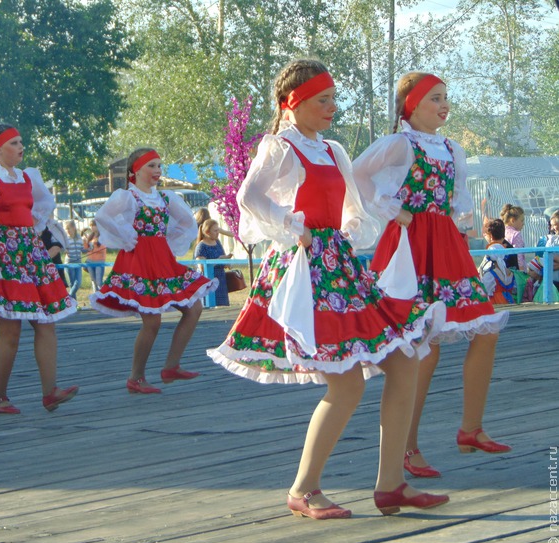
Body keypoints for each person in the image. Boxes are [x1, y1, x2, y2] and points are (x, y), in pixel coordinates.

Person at [208, 59, 448, 518]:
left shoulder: (333, 149)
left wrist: (355, 227)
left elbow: (353, 209)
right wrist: (290, 225)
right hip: (305, 268)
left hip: (339, 265)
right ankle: (304, 488)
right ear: (292, 104)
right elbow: (248, 197)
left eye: (334, 98)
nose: (333, 107)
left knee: (402, 361)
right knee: (347, 383)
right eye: (323, 100)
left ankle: (391, 484)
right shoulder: (279, 146)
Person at [352, 72, 511, 480]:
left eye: (446, 98)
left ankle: (470, 428)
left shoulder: (451, 148)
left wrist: (463, 219)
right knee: (422, 346)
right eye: (435, 98)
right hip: (409, 246)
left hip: (446, 245)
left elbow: (457, 197)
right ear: (412, 104)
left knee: (486, 328)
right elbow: (356, 175)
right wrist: (392, 210)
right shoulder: (399, 143)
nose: (444, 105)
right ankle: (407, 447)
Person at [0, 122, 78, 414]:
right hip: (2, 253)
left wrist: (31, 226)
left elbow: (41, 206)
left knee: (46, 322)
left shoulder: (27, 177)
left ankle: (50, 392)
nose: (21, 148)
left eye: (21, 142)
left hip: (28, 252)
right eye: (15, 143)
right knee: (11, 332)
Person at [91, 147, 218, 394]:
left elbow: (187, 223)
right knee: (152, 320)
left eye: (159, 165)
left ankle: (171, 365)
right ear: (135, 170)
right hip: (139, 261)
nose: (157, 171)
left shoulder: (165, 198)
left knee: (194, 308)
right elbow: (104, 216)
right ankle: (136, 377)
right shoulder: (128, 197)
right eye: (151, 165)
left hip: (162, 260)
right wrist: (127, 236)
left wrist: (168, 241)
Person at [194, 219, 232, 306]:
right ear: (207, 232)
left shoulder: (217, 243)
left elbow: (222, 258)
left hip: (221, 281)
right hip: (208, 283)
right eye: (215, 230)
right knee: (210, 306)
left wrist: (226, 262)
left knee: (223, 307)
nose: (218, 232)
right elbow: (202, 267)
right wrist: (219, 260)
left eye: (218, 230)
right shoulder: (201, 246)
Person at [479, 218, 516, 304]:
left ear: (490, 235)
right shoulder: (504, 266)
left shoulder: (489, 269)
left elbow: (485, 289)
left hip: (494, 302)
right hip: (508, 300)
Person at [499, 203, 526, 271]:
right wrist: (522, 271)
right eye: (522, 220)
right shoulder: (516, 234)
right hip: (515, 270)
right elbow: (519, 255)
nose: (523, 223)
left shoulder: (502, 232)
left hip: (503, 268)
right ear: (513, 220)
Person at [83, 219, 106, 292]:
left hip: (99, 261)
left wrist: (93, 248)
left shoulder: (102, 236)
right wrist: (84, 242)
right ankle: (95, 296)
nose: (92, 227)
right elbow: (86, 248)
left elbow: (103, 248)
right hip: (90, 261)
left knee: (99, 281)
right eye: (91, 226)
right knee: (93, 281)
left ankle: (101, 295)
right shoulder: (90, 236)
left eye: (94, 225)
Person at [64, 220, 84, 300]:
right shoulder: (66, 239)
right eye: (66, 229)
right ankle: (74, 303)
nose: (68, 230)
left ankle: (68, 298)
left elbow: (82, 249)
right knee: (72, 284)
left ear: (74, 228)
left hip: (78, 263)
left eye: (69, 228)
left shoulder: (79, 238)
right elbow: (63, 249)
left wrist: (89, 248)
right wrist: (65, 250)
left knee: (78, 283)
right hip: (69, 263)